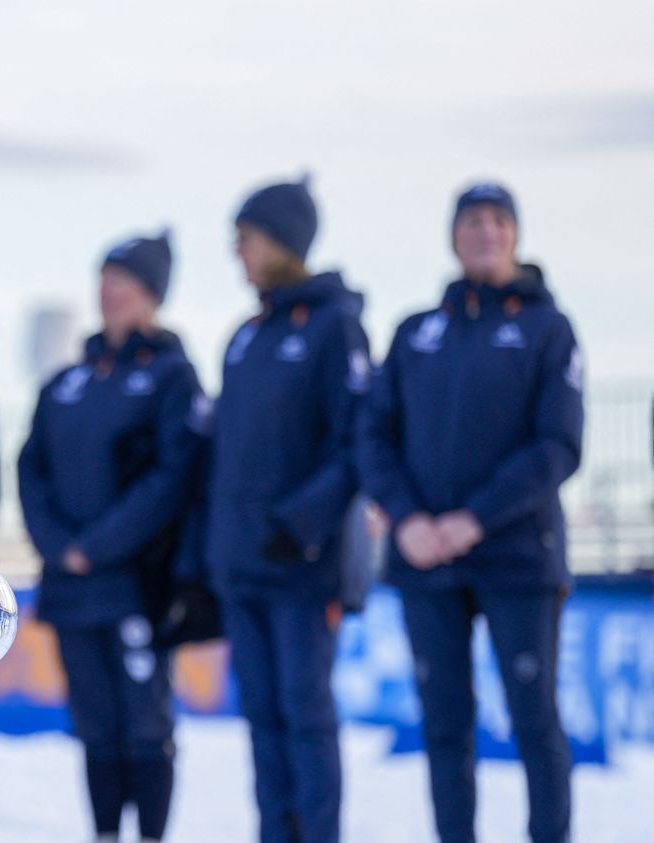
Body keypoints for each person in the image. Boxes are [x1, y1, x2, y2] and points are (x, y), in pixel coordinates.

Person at [358, 182, 582, 843]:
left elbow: (558, 445)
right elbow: (373, 435)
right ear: (454, 237)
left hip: (517, 558)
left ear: (515, 234)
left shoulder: (549, 329)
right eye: (472, 221)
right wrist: (406, 519)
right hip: (426, 561)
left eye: (497, 220)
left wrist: (473, 519)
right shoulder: (416, 332)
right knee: (445, 726)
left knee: (533, 720)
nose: (485, 231)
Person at [18, 232, 205, 843]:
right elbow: (31, 467)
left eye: (123, 280)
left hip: (136, 585)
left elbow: (173, 476)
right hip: (72, 589)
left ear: (152, 294)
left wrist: (95, 545)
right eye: (103, 278)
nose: (108, 292)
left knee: (145, 726)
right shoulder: (67, 384)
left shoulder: (172, 376)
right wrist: (55, 545)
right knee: (95, 727)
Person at [200, 177, 370, 843]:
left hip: (304, 567)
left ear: (281, 240)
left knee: (306, 717)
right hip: (242, 567)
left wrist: (299, 524)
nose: (237, 252)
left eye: (245, 238)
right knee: (263, 721)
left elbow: (356, 440)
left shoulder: (334, 324)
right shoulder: (245, 337)